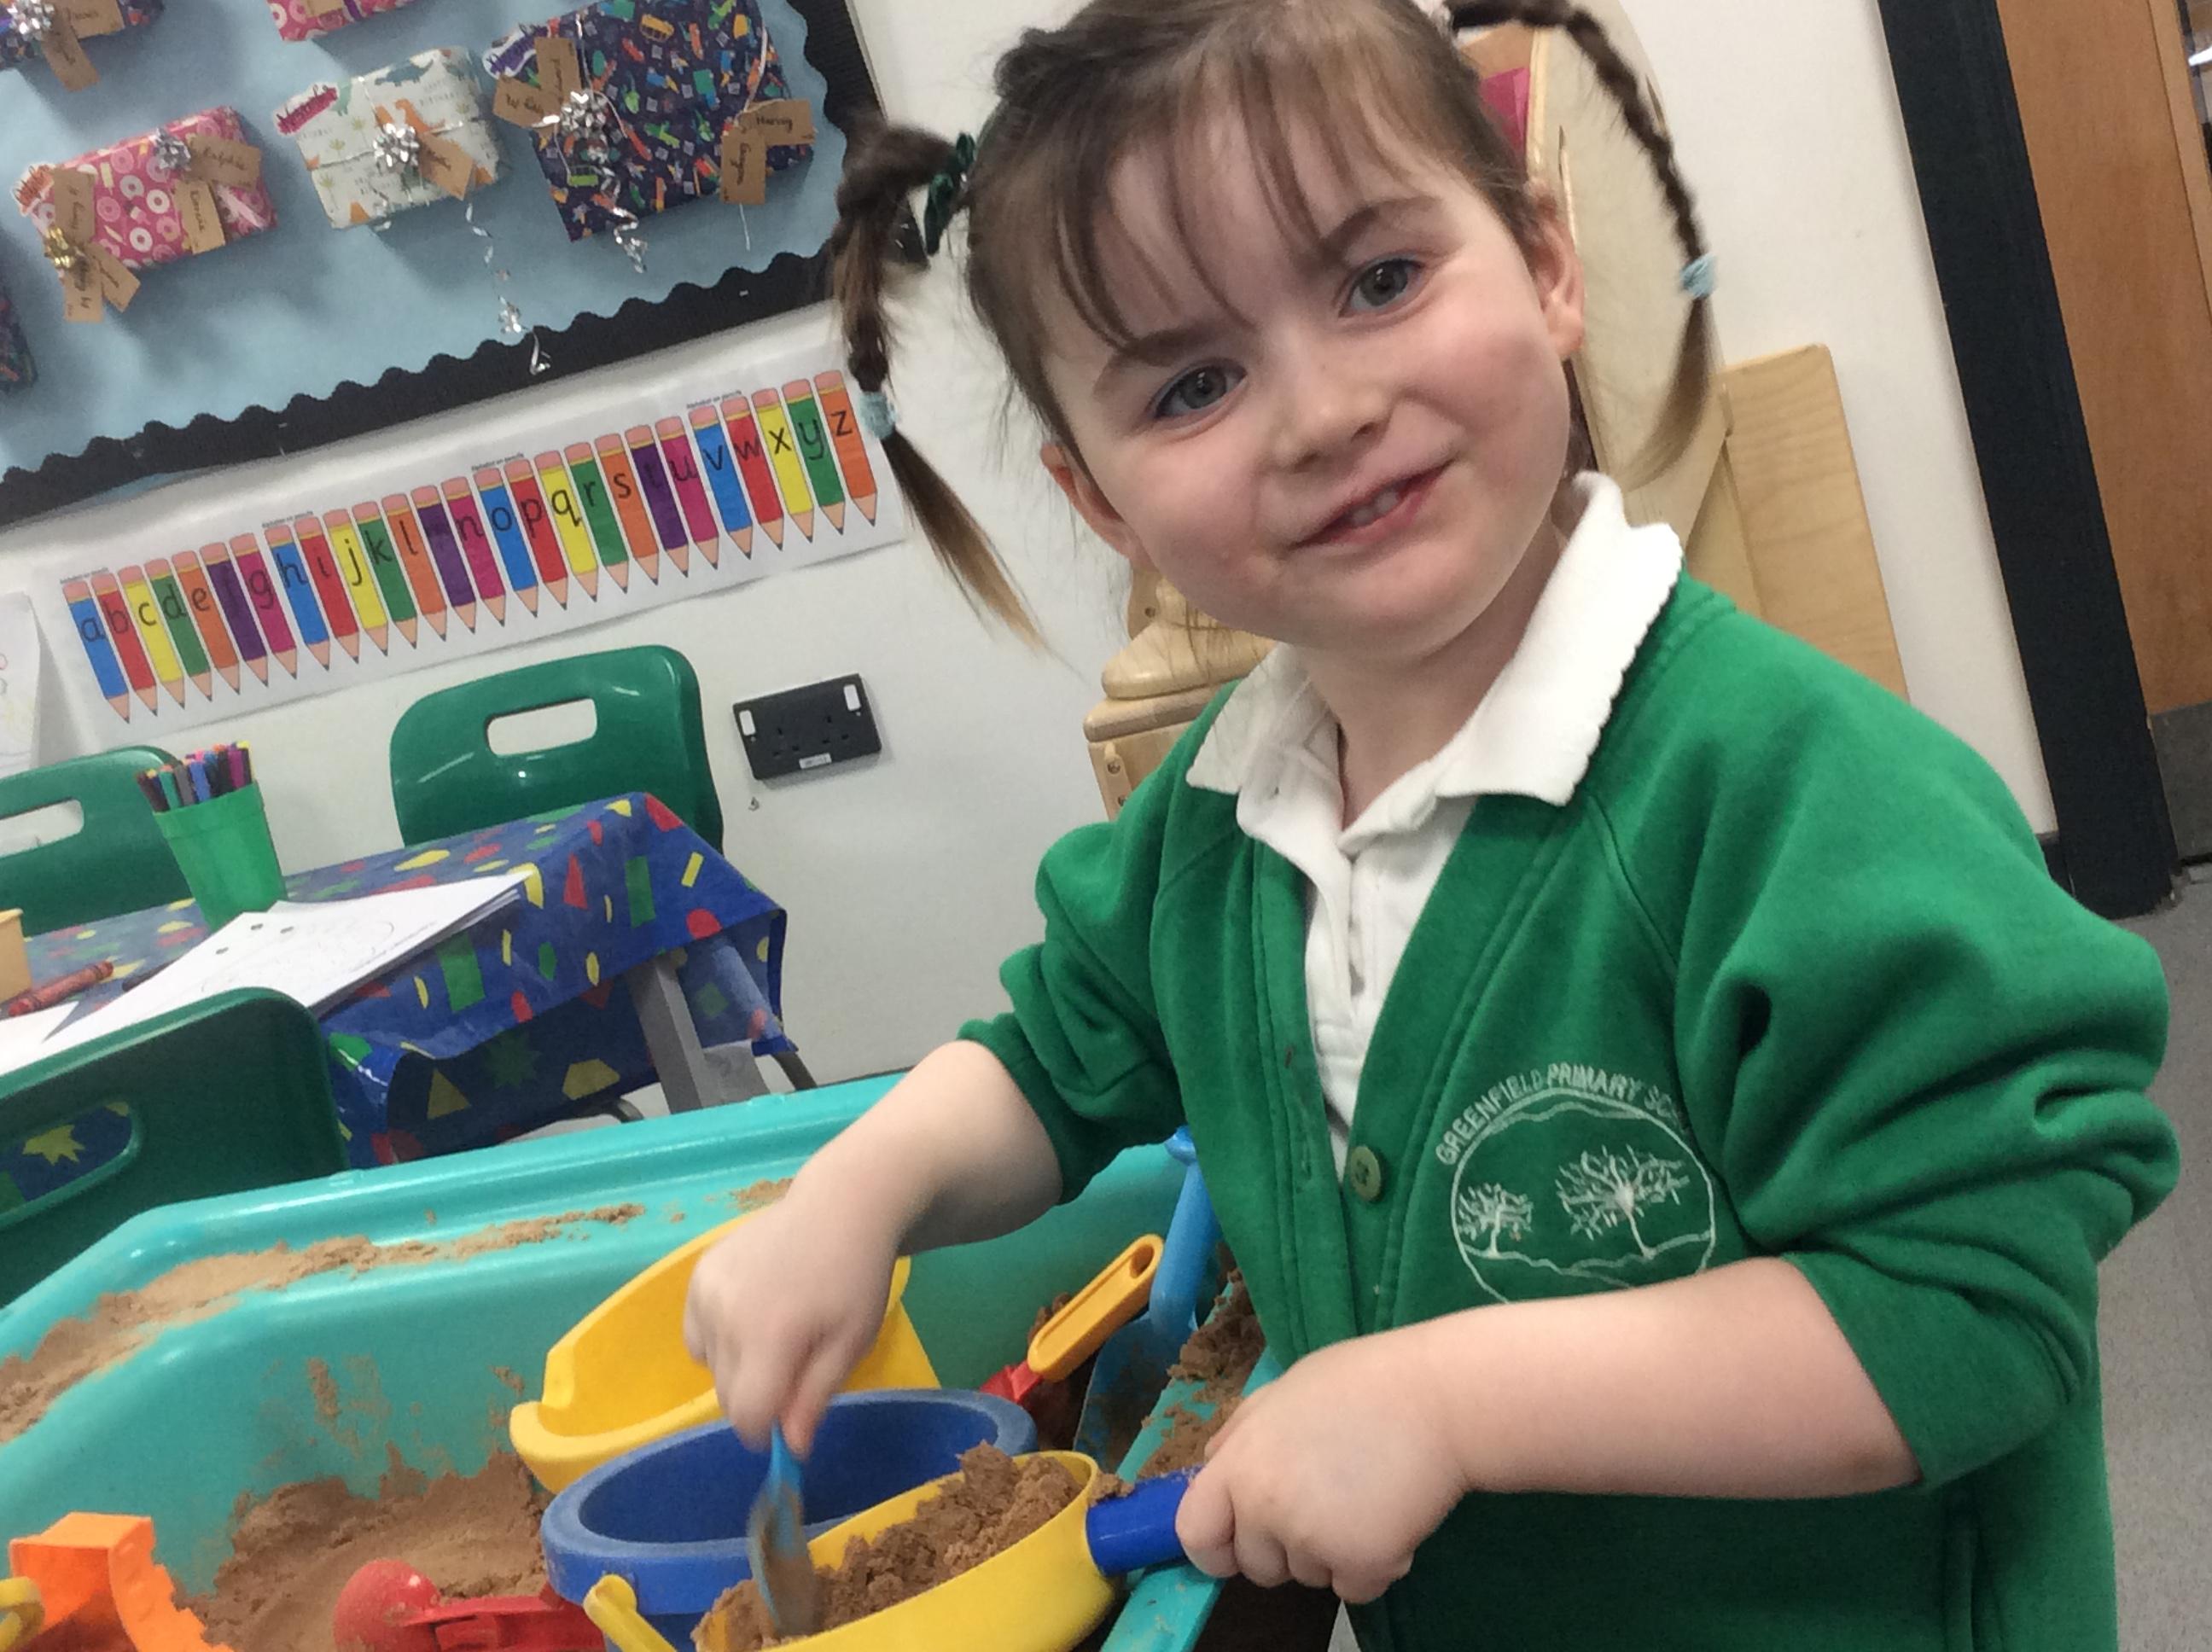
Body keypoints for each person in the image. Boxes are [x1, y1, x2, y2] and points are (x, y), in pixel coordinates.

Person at [684, 3, 2180, 1646]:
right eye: (1193, 384)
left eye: (1380, 281)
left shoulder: (1797, 795)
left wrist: (1448, 1402)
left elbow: (1970, 1306)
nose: (1322, 413)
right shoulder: (1215, 821)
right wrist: (857, 1195)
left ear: (1545, 263)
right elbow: (1051, 1060)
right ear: (1102, 501)